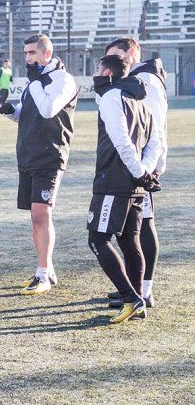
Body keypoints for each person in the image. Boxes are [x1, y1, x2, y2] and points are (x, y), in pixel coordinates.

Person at [0, 34, 77, 295]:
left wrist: (34, 85)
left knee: (42, 214)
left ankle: (42, 273)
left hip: (50, 155)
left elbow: (48, 110)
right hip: (28, 156)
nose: (28, 58)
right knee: (35, 217)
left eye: (32, 53)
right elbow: (27, 115)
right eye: (26, 54)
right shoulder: (36, 82)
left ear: (47, 53)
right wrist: (12, 112)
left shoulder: (62, 80)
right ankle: (46, 270)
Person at [87, 54, 160, 323]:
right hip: (135, 184)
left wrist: (139, 172)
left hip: (114, 182)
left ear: (107, 72)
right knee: (129, 241)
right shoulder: (142, 102)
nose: (95, 74)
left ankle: (131, 298)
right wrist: (144, 173)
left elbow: (121, 140)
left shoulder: (111, 97)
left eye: (96, 67)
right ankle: (137, 298)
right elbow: (155, 144)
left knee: (97, 240)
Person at [104, 37, 168, 308]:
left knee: (143, 227)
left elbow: (153, 131)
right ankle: (134, 286)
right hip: (134, 168)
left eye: (117, 56)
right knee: (132, 231)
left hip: (142, 169)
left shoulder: (147, 81)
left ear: (131, 52)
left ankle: (144, 289)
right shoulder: (136, 80)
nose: (113, 64)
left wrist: (146, 170)